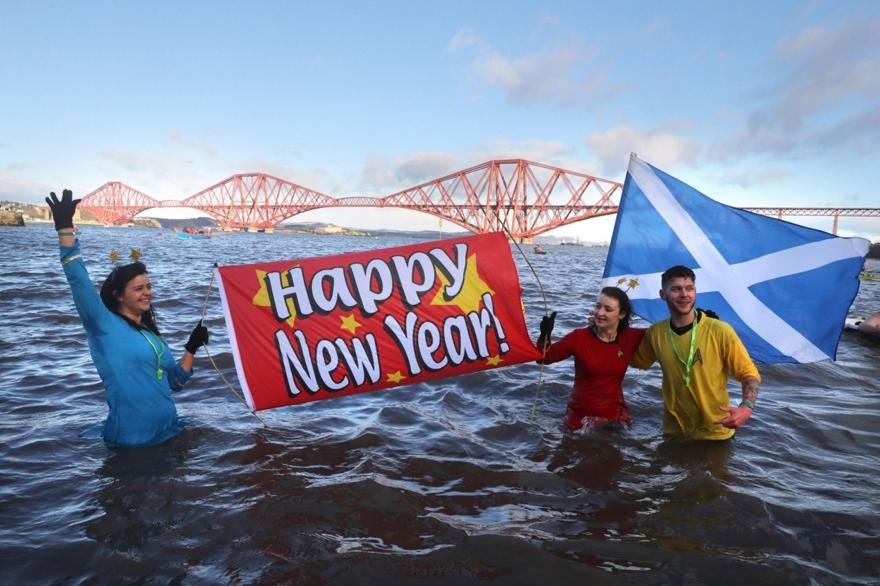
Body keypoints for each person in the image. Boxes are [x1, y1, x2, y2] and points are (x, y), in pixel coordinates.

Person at [47, 189, 209, 448]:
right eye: (139, 288)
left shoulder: (150, 335)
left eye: (148, 286)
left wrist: (192, 347)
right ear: (118, 295)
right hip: (132, 442)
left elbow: (175, 382)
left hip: (169, 431)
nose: (148, 293)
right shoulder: (102, 324)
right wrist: (64, 227)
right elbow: (77, 277)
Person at [629, 265, 760, 441]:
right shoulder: (656, 332)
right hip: (673, 432)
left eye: (689, 288)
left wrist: (746, 407)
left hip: (716, 432)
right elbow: (637, 362)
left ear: (695, 291)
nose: (684, 294)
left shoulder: (720, 330)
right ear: (663, 294)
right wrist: (608, 329)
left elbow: (749, 374)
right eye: (676, 289)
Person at [537, 286, 646, 430]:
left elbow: (663, 333)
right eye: (598, 306)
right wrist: (545, 335)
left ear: (621, 314)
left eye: (608, 309)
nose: (600, 313)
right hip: (580, 419)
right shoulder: (579, 337)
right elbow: (544, 358)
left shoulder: (631, 337)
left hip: (615, 418)